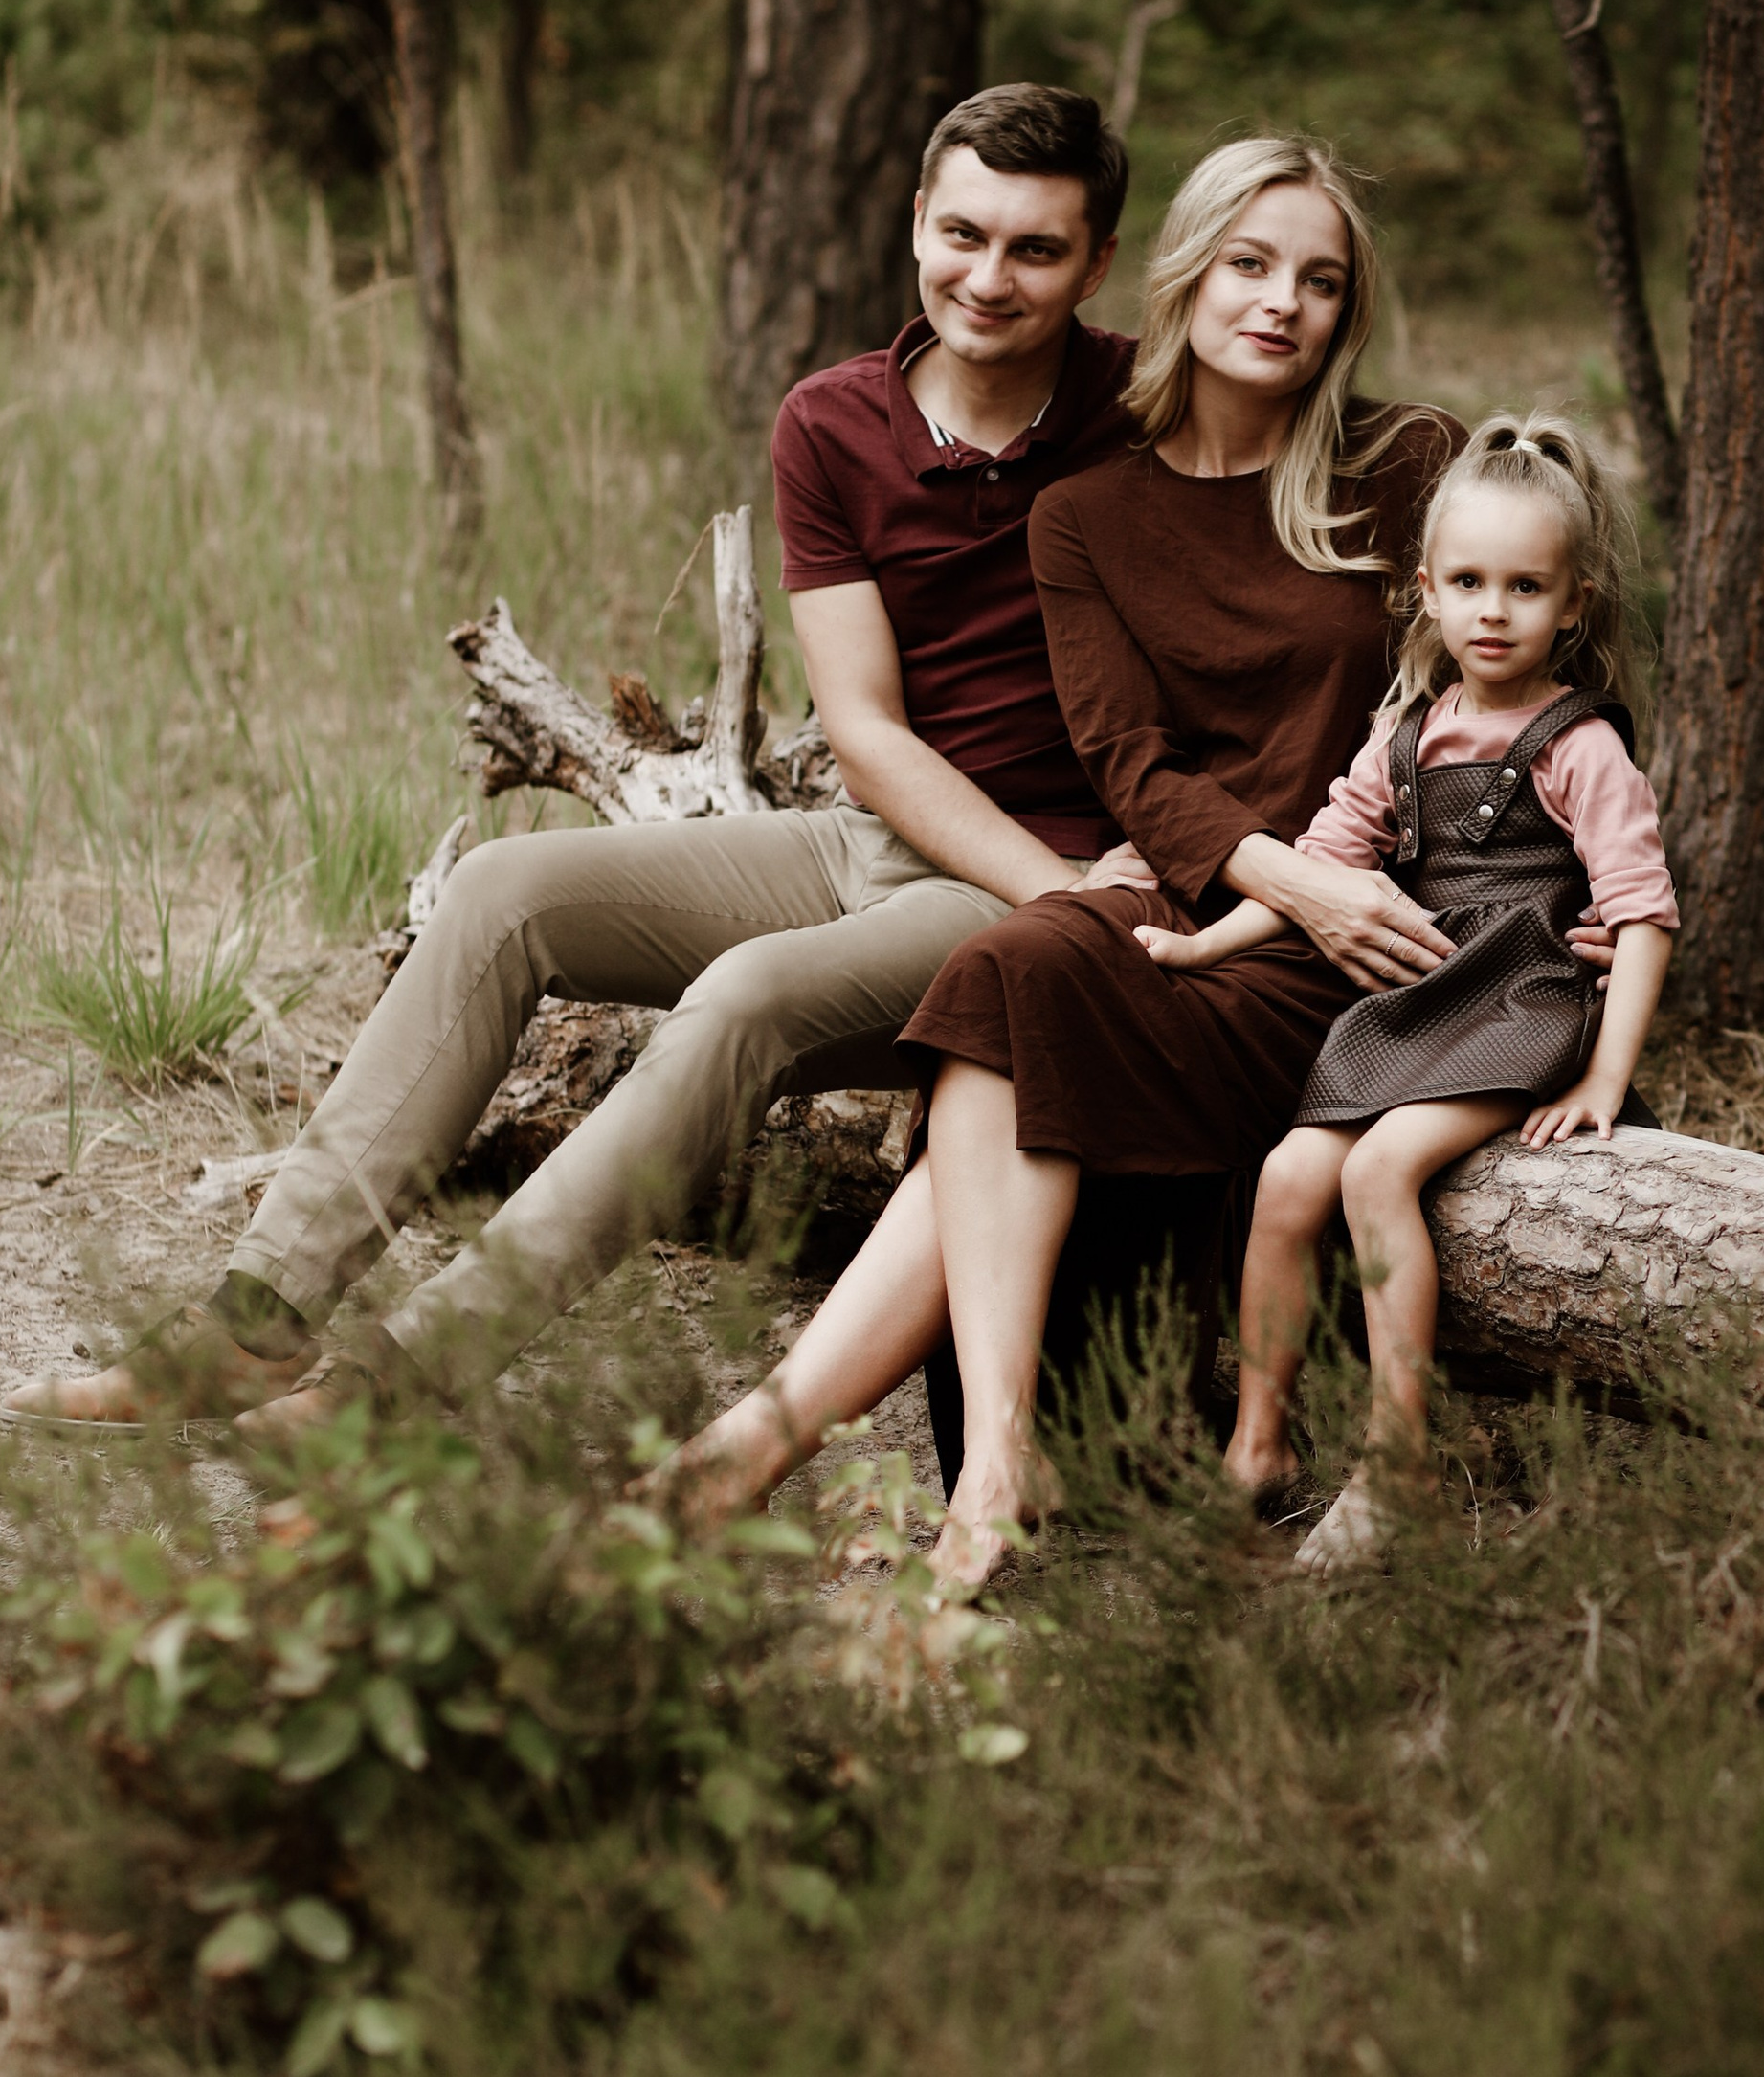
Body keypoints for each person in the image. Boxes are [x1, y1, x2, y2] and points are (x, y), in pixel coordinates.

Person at [0, 84, 1153, 1439]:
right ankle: (251, 1332)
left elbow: (1350, 461)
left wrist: (1077, 890)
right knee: (508, 889)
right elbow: (869, 734)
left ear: (1095, 265)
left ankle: (404, 1389)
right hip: (878, 835)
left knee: (746, 994)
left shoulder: (1149, 410)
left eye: (1035, 250)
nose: (990, 277)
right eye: (964, 234)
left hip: (1033, 886)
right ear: (914, 223)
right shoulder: (834, 423)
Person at [657, 138, 1619, 1577]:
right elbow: (1130, 767)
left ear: (1349, 309)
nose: (1280, 303)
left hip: (1396, 956)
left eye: (1319, 279)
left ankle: (771, 1444)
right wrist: (1290, 882)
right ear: (1185, 273)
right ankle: (985, 1461)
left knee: (1016, 994)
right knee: (1017, 964)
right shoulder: (1087, 513)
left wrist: (1585, 894)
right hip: (1219, 914)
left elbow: (1551, 680)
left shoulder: (1404, 465)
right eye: (1249, 264)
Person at [1138, 413, 1678, 1574]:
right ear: (1426, 590)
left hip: (1524, 1004)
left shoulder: (1580, 747)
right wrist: (1203, 949)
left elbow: (1640, 913)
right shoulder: (1404, 733)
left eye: (1526, 587)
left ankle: (1399, 1466)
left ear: (1572, 604)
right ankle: (1259, 1441)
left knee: (1379, 1169)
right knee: (1287, 1179)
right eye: (1470, 582)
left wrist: (1604, 1072)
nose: (1494, 611)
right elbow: (1317, 863)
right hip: (1423, 1002)